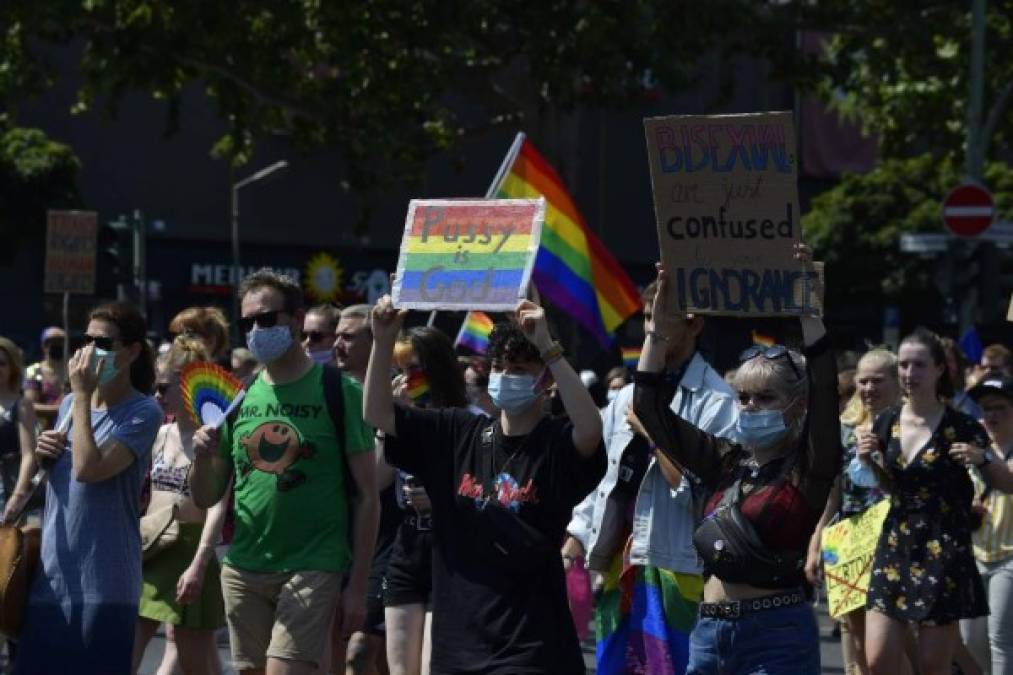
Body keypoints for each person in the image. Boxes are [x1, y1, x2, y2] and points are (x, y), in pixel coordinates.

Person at [364, 296, 605, 673]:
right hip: (457, 647)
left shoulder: (554, 443)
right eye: (498, 366)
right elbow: (377, 413)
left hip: (531, 650)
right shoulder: (456, 432)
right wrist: (382, 340)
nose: (505, 375)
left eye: (520, 368)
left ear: (546, 381)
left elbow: (590, 431)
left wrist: (549, 348)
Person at [632, 250, 839, 674]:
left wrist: (808, 312)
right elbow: (648, 407)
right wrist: (655, 330)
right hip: (708, 635)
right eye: (743, 397)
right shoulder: (723, 461)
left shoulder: (807, 470)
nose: (749, 407)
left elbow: (825, 390)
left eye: (765, 398)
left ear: (798, 406)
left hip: (776, 637)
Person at [191, 269, 378, 675]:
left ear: (296, 319)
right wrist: (202, 458)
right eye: (247, 323)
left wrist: (358, 588)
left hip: (314, 565)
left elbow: (368, 495)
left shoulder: (339, 391)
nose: (256, 330)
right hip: (244, 569)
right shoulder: (237, 399)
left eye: (266, 319)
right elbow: (207, 496)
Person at [564, 280, 738, 674]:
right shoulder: (625, 396)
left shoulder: (718, 401)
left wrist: (656, 435)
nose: (650, 330)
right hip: (619, 564)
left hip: (678, 566)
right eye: (646, 318)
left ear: (695, 325)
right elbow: (604, 476)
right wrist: (577, 532)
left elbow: (708, 496)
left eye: (661, 319)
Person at [17, 302, 162, 674]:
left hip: (104, 587)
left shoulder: (143, 412)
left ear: (131, 352)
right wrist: (43, 456)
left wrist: (82, 395)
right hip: (51, 582)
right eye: (87, 340)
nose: (90, 351)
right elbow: (54, 485)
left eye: (103, 343)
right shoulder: (68, 405)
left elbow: (88, 468)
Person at [858, 328, 991, 675]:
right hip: (896, 542)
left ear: (938, 369)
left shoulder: (962, 427)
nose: (908, 373)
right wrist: (871, 462)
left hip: (943, 546)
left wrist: (983, 459)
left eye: (918, 365)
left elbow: (1003, 482)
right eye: (903, 365)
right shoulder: (886, 422)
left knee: (933, 666)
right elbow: (892, 488)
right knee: (877, 659)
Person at [132, 336, 228, 675]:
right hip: (152, 547)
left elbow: (217, 508)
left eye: (162, 387)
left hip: (190, 551)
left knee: (196, 664)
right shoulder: (160, 433)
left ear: (188, 384)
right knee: (124, 653)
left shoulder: (215, 439)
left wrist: (200, 565)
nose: (156, 395)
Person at [806, 349, 901, 675]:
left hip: (895, 539)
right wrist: (816, 539)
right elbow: (834, 491)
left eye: (878, 380)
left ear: (897, 381)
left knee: (895, 638)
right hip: (847, 539)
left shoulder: (910, 424)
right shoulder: (844, 428)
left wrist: (877, 456)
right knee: (853, 637)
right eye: (863, 381)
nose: (869, 388)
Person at [383, 327, 468, 675]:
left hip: (451, 551)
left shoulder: (470, 419)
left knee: (435, 667)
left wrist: (440, 499)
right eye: (400, 370)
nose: (406, 379)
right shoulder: (399, 418)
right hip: (406, 546)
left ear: (437, 368)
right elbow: (376, 480)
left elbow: (484, 491)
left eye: (414, 369)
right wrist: (391, 420)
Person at [959, 375, 1013, 674]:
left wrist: (984, 460)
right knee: (968, 640)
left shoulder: (980, 454)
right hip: (974, 554)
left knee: (1001, 639)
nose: (991, 415)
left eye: (1000, 408)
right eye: (985, 409)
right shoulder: (971, 449)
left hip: (1010, 556)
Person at [0, 336, 38, 523]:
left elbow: (29, 455)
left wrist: (18, 495)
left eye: (1, 363)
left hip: (9, 486)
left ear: (12, 367)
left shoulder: (21, 405)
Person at [23, 326, 67, 429]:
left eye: (60, 341)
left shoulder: (75, 368)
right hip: (44, 430)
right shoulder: (34, 371)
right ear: (43, 345)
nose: (56, 345)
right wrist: (60, 409)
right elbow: (30, 405)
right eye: (51, 342)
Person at [943, 337, 983, 419]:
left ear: (958, 364)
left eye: (949, 360)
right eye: (939, 361)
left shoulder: (971, 400)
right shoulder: (920, 396)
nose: (944, 366)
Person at [336, 305, 373, 383]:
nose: (336, 344)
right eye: (337, 336)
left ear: (373, 340)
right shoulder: (333, 387)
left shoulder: (398, 389)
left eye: (347, 337)